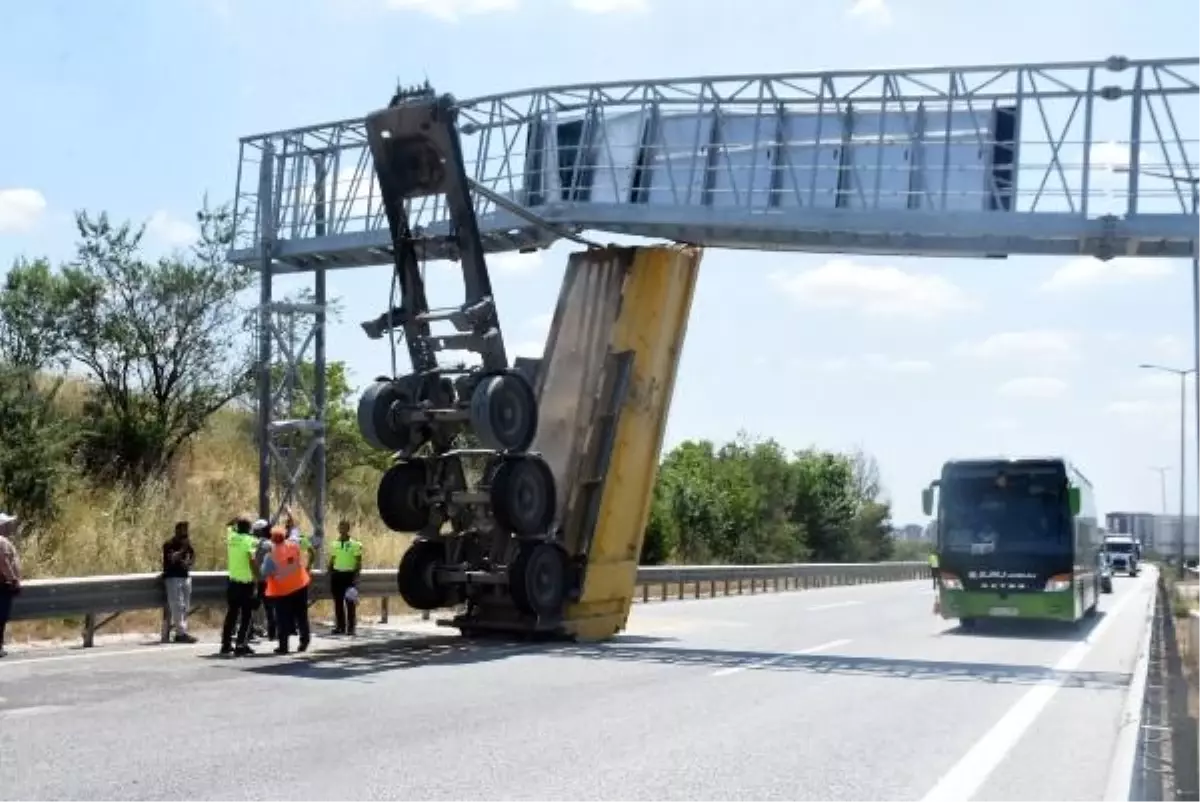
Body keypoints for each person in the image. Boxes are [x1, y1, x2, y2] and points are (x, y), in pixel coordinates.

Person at [263, 525, 311, 655]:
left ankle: (283, 646)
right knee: (302, 615)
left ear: (272, 539)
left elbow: (265, 572)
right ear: (285, 536)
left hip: (283, 591)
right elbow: (296, 533)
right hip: (300, 586)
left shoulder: (270, 555)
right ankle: (304, 641)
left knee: (282, 618)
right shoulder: (294, 545)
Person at [220, 514, 259, 657]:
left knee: (232, 614)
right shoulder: (250, 541)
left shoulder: (231, 537)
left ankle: (225, 644)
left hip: (232, 582)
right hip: (246, 584)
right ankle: (241, 644)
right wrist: (258, 577)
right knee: (246, 616)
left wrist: (238, 518)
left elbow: (229, 524)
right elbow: (252, 560)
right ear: (249, 528)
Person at [161, 521, 197, 644]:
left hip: (185, 577)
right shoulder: (169, 544)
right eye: (182, 530)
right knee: (177, 605)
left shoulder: (187, 544)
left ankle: (181, 632)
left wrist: (189, 563)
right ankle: (181, 633)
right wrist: (183, 549)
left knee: (185, 606)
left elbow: (192, 555)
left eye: (186, 530)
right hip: (173, 578)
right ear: (176, 531)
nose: (185, 532)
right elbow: (172, 558)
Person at [327, 521, 363, 636]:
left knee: (350, 602)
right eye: (340, 527)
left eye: (344, 527)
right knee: (338, 603)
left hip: (349, 576)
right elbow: (332, 559)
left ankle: (351, 628)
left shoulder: (355, 544)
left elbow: (358, 561)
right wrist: (329, 571)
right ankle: (340, 627)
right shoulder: (334, 544)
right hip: (337, 575)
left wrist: (356, 577)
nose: (342, 529)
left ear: (348, 529)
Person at [0, 512, 22, 659]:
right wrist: (13, 580)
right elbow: (4, 562)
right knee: (0, 618)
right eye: (7, 524)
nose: (9, 527)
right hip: (2, 586)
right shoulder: (1, 542)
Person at [250, 519, 275, 642]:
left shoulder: (253, 543)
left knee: (252, 606)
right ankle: (272, 632)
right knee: (270, 607)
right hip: (268, 580)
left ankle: (249, 630)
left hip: (257, 579)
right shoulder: (271, 544)